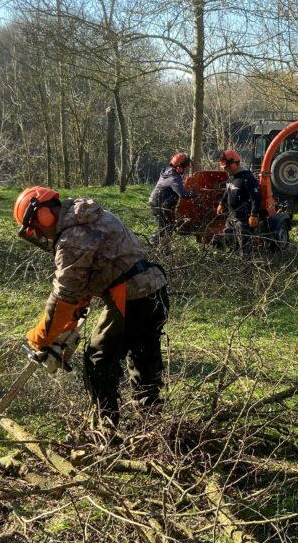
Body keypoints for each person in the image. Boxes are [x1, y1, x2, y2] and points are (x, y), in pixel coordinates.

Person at [13, 186, 169, 434]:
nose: (39, 233)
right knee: (142, 353)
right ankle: (152, 423)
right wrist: (81, 300)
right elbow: (103, 263)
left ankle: (106, 430)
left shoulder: (71, 237)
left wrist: (42, 335)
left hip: (130, 296)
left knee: (98, 360)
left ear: (44, 214)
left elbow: (64, 295)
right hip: (154, 288)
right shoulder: (88, 215)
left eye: (36, 226)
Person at [216, 149, 261, 255]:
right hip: (231, 216)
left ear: (233, 164)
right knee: (229, 240)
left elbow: (256, 197)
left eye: (227, 167)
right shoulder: (231, 177)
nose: (226, 170)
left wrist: (253, 214)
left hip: (243, 218)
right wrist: (221, 203)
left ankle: (246, 267)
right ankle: (234, 261)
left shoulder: (247, 178)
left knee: (244, 244)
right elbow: (228, 191)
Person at [147, 152, 195, 241]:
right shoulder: (173, 178)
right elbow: (182, 194)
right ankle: (153, 243)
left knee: (168, 226)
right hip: (160, 204)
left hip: (159, 202)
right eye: (184, 168)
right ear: (179, 166)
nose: (185, 170)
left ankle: (164, 247)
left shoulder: (168, 171)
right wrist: (193, 194)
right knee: (165, 227)